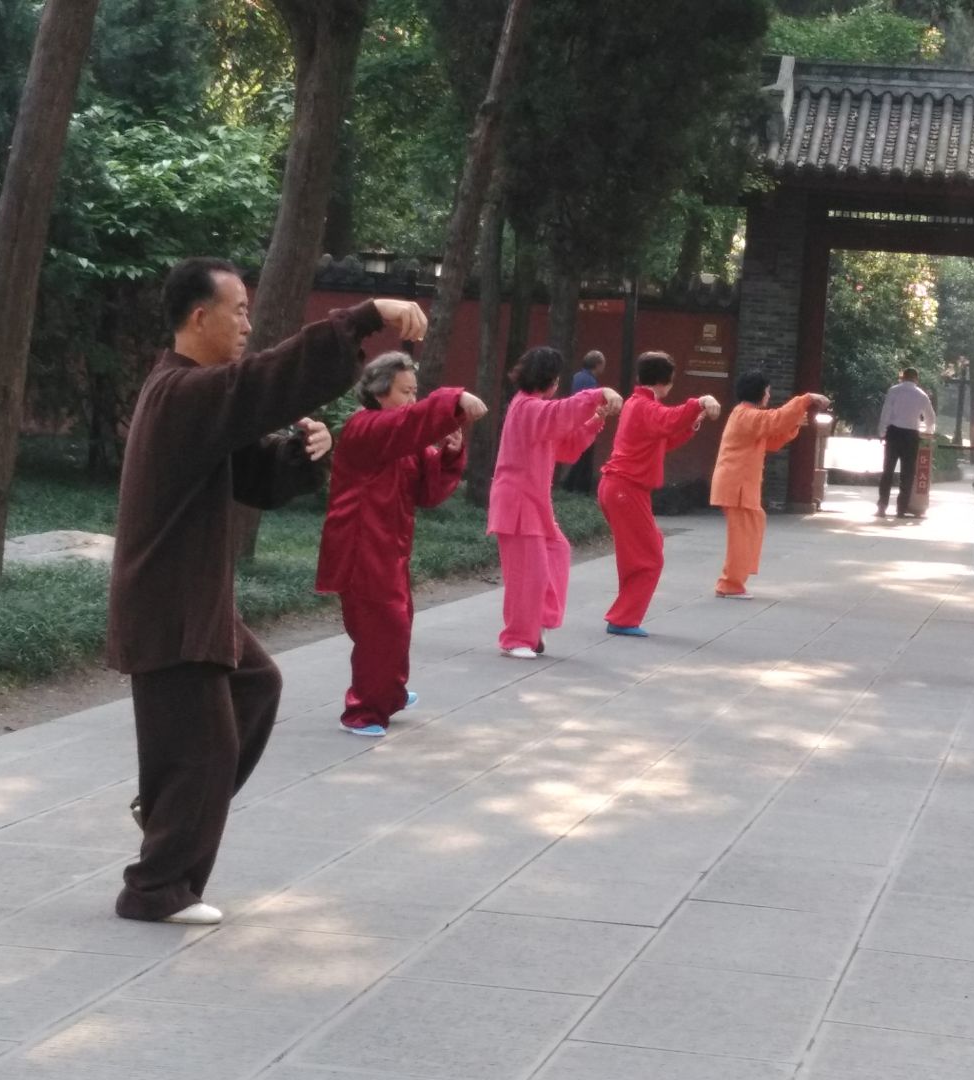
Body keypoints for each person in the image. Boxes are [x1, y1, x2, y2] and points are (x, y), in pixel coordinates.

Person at [108, 258, 427, 924]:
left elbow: (252, 475)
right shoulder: (181, 390)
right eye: (239, 311)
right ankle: (154, 887)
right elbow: (263, 382)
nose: (248, 324)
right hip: (170, 605)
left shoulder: (193, 395)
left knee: (255, 687)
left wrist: (298, 454)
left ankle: (170, 818)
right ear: (200, 317)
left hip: (189, 601)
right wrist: (364, 318)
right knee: (206, 746)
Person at [316, 352, 487, 738]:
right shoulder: (365, 427)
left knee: (396, 623)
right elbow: (409, 422)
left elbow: (427, 492)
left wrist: (450, 452)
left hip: (389, 547)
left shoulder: (399, 437)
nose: (412, 399)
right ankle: (363, 711)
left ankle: (387, 692)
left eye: (415, 392)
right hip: (361, 545)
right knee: (381, 627)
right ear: (380, 393)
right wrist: (451, 400)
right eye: (405, 391)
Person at [489, 346, 622, 657]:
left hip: (531, 503)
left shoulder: (533, 410)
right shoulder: (527, 408)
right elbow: (560, 415)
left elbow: (565, 446)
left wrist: (594, 420)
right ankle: (516, 638)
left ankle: (535, 624)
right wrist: (597, 394)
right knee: (527, 575)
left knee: (556, 553)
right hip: (518, 503)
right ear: (550, 380)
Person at [599, 351, 721, 636]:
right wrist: (699, 402)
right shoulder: (644, 406)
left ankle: (623, 615)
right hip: (626, 488)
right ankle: (623, 618)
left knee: (645, 549)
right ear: (666, 381)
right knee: (649, 558)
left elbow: (664, 438)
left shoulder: (637, 404)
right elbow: (669, 420)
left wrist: (694, 418)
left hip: (621, 488)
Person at [709, 371, 829, 599]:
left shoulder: (745, 415)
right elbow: (775, 420)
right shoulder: (746, 415)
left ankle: (733, 580)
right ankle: (730, 584)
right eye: (767, 391)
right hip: (737, 485)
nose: (768, 395)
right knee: (741, 536)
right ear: (760, 393)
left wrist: (793, 425)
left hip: (738, 484)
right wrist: (806, 399)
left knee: (751, 526)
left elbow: (770, 440)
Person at [877, 367, 936, 518]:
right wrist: (928, 430)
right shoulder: (922, 395)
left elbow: (886, 412)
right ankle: (901, 509)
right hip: (911, 435)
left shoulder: (894, 391)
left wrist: (882, 432)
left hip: (894, 432)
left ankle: (882, 506)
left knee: (887, 471)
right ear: (916, 378)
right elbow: (930, 417)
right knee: (907, 473)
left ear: (903, 377)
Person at [561, 351, 606, 494]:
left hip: (573, 421)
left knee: (580, 455)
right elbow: (591, 403)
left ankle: (570, 485)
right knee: (585, 455)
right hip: (585, 423)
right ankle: (579, 487)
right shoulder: (590, 381)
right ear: (597, 365)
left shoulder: (576, 377)